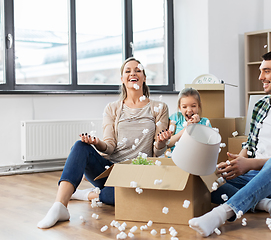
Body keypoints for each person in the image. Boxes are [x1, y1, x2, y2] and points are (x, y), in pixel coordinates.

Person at [189, 49, 271, 237]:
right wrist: (235, 164)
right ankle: (266, 203)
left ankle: (220, 214)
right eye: (260, 71)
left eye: (266, 71)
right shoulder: (260, 106)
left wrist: (248, 164)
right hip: (254, 176)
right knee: (206, 175)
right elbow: (250, 145)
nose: (260, 77)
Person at [37, 57, 171, 229]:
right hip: (110, 171)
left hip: (137, 174)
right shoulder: (112, 108)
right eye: (127, 71)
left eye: (137, 70)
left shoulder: (159, 107)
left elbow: (158, 151)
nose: (133, 73)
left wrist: (161, 142)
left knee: (123, 195)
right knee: (80, 146)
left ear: (144, 77)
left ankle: (90, 194)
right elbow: (109, 146)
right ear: (122, 79)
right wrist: (96, 142)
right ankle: (60, 206)